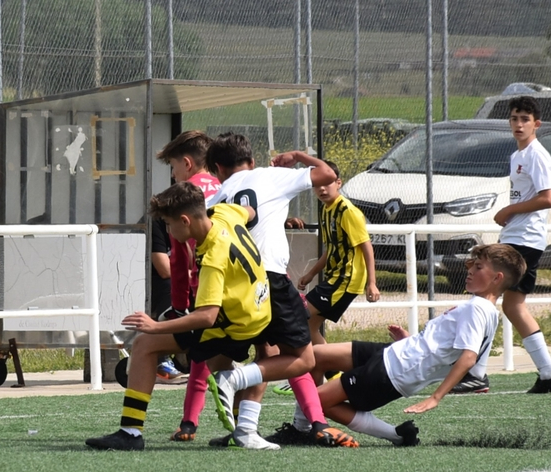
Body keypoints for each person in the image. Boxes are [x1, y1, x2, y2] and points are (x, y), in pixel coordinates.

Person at [85, 182, 270, 451]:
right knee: (238, 361)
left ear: (185, 220)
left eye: (170, 225)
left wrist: (155, 326)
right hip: (258, 307)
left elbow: (207, 317)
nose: (169, 231)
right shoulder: (224, 214)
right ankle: (244, 429)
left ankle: (131, 432)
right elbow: (250, 211)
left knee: (145, 343)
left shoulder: (214, 257)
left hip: (230, 324)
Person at [203, 132, 357, 449]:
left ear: (218, 168)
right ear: (251, 160)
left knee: (267, 353)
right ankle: (234, 379)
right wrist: (299, 156)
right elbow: (327, 174)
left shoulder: (216, 196)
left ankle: (245, 430)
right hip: (268, 276)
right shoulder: (270, 176)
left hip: (231, 284)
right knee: (303, 359)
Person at [312, 243, 526, 446]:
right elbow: (444, 349)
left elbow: (468, 358)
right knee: (316, 356)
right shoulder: (486, 310)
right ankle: (302, 426)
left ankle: (397, 435)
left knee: (316, 402)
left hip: (396, 370)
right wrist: (408, 340)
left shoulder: (477, 308)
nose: (470, 269)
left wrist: (435, 397)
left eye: (479, 267)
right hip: (396, 353)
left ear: (497, 278)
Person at [451, 95, 551, 395]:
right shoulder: (518, 155)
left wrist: (508, 211)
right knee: (512, 305)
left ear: (536, 124)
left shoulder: (536, 154)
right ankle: (549, 374)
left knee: (489, 298)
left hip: (525, 239)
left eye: (525, 119)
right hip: (517, 237)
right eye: (515, 118)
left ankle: (477, 374)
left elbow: (548, 198)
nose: (519, 124)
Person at [264, 161, 381, 443]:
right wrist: (310, 273)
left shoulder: (348, 211)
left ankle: (325, 369)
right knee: (309, 325)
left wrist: (372, 282)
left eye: (327, 183)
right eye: (317, 186)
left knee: (303, 320)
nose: (322, 189)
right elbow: (331, 249)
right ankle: (323, 368)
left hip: (346, 280)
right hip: (332, 279)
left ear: (339, 183)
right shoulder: (327, 210)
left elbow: (365, 245)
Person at [155, 130, 221, 439]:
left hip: (205, 288)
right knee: (275, 354)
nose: (172, 174)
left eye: (172, 167)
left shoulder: (184, 196)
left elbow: (181, 257)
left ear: (186, 163)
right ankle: (312, 419)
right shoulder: (226, 186)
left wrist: (180, 304)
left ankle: (187, 423)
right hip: (245, 284)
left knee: (196, 355)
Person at [148, 217, 185, 384]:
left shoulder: (203, 221)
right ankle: (161, 359)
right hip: (151, 286)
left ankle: (217, 354)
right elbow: (164, 269)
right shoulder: (156, 223)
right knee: (170, 284)